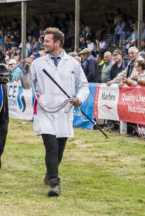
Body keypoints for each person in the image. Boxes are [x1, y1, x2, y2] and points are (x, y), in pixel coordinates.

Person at [21, 27, 89, 197]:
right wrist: (26, 69)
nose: (43, 43)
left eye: (47, 41)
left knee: (59, 150)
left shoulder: (73, 63)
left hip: (65, 111)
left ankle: (49, 173)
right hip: (45, 111)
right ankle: (54, 182)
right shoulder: (38, 63)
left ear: (57, 43)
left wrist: (79, 99)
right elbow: (27, 85)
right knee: (51, 148)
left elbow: (84, 86)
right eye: (44, 41)